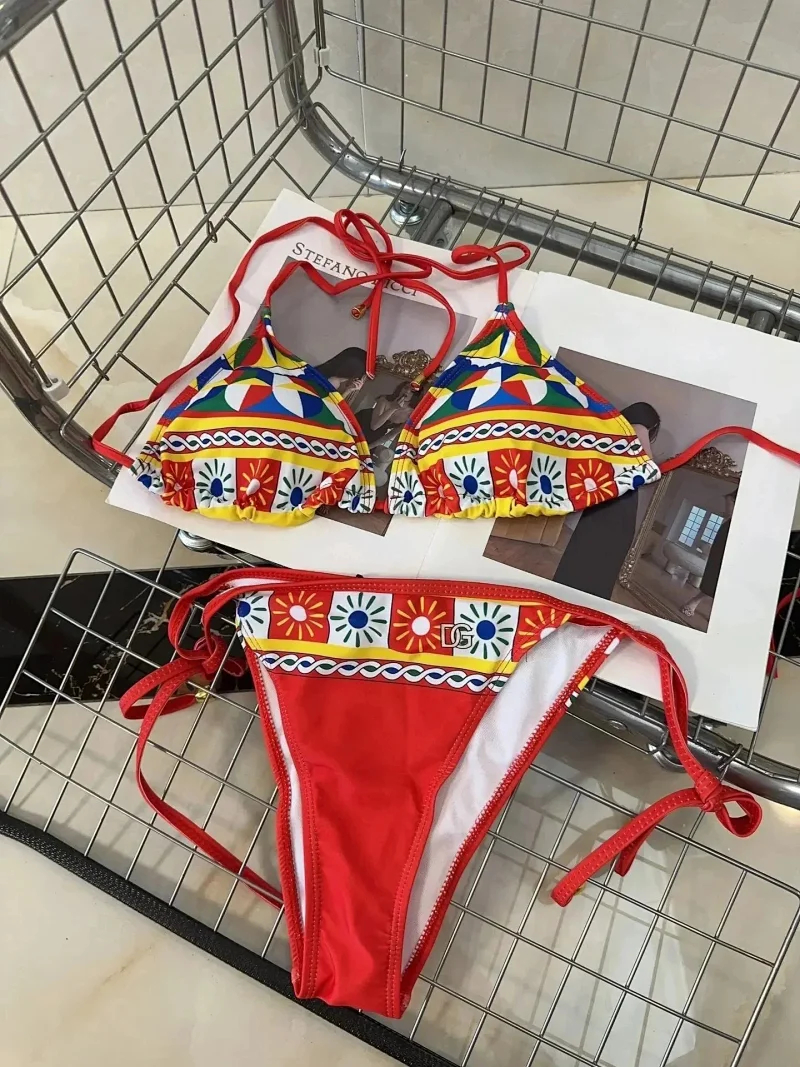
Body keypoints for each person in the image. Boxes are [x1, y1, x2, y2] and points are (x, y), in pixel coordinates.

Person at [552, 401, 661, 600]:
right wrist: (644, 429)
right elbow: (647, 470)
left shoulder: (610, 433)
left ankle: (564, 599)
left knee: (583, 555)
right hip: (617, 508)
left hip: (602, 504)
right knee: (601, 562)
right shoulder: (638, 429)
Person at [682, 490, 737, 618]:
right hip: (729, 534)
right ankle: (695, 601)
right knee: (715, 576)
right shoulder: (737, 498)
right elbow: (729, 498)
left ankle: (714, 612)